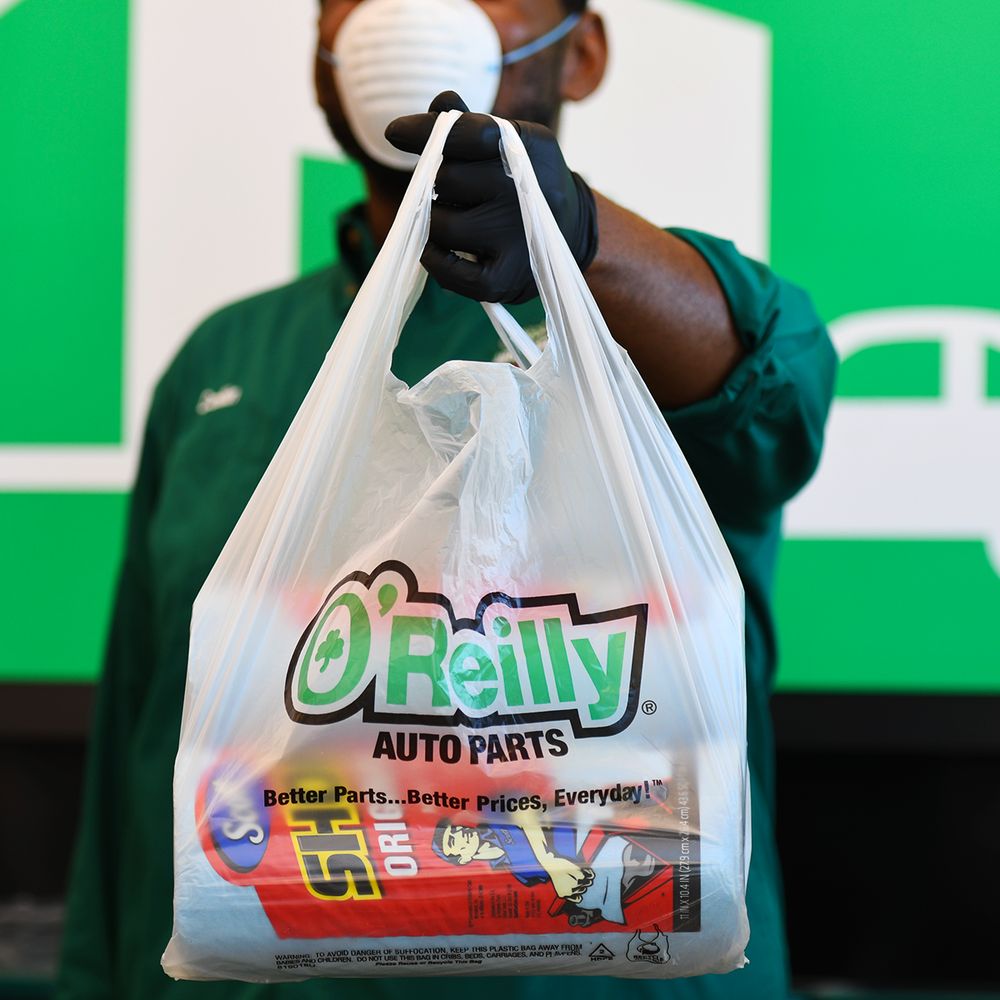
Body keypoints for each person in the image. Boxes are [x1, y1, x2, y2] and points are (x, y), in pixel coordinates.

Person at [56, 0, 837, 997]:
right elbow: (138, 737)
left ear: (581, 52)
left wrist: (579, 235)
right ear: (321, 56)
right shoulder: (224, 364)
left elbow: (775, 383)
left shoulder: (650, 338)